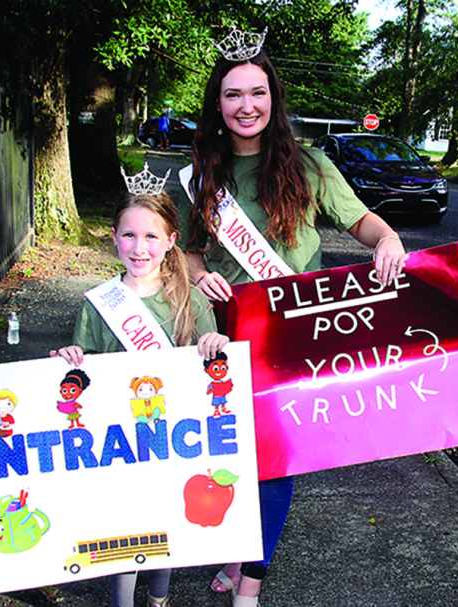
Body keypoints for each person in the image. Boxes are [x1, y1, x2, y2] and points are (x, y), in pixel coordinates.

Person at [177, 26, 408, 607]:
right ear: (218, 103)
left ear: (273, 98)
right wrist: (196, 270)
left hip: (296, 336)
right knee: (228, 452)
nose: (246, 106)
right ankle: (236, 551)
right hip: (225, 333)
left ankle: (250, 585)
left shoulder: (310, 165)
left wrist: (389, 240)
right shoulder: (202, 171)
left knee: (275, 460)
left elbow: (365, 224)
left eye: (257, 93)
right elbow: (187, 246)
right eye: (233, 95)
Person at [51, 178, 230, 607]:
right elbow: (84, 371)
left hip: (173, 439)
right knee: (124, 528)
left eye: (151, 236)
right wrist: (71, 359)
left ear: (171, 241)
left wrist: (214, 346)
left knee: (166, 524)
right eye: (129, 235)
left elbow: (215, 371)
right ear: (114, 239)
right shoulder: (98, 304)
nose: (139, 247)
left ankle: (160, 597)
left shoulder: (192, 302)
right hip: (119, 443)